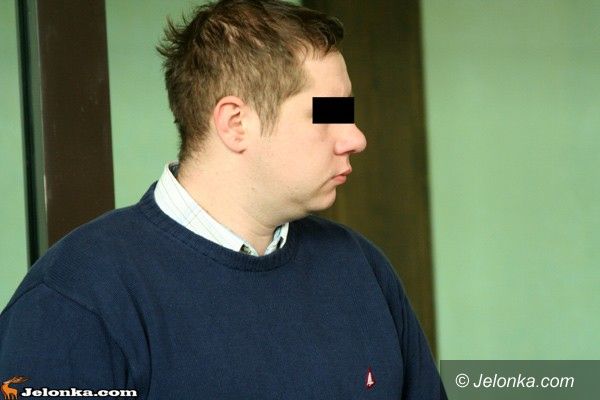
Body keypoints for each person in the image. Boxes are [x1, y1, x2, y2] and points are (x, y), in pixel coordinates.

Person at [0, 0, 447, 398]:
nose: (356, 138)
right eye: (328, 114)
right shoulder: (75, 300)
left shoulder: (361, 270)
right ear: (235, 123)